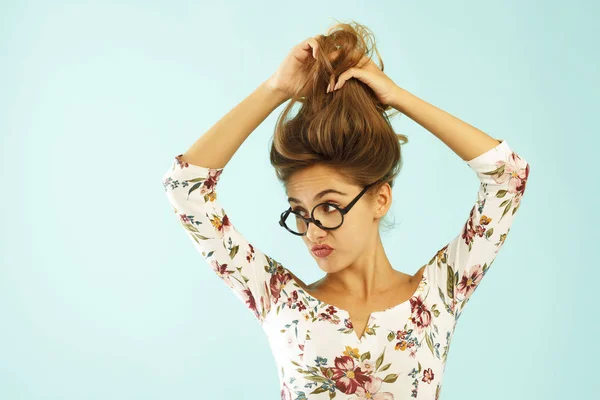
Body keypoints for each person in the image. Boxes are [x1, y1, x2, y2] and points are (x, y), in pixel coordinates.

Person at [162, 21, 530, 400]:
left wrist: (399, 97)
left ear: (380, 199)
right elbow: (185, 187)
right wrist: (277, 89)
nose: (313, 231)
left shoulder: (438, 294)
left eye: (330, 206)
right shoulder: (279, 299)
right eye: (300, 212)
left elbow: (508, 176)